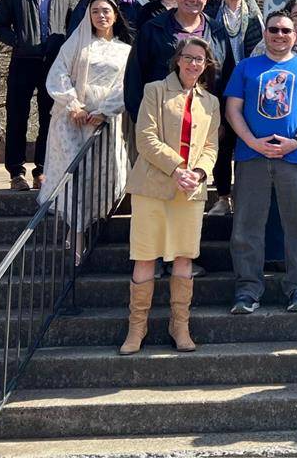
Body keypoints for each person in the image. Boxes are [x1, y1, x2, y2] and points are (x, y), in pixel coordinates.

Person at [225, 11, 297, 314]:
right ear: (265, 33)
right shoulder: (246, 67)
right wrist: (251, 141)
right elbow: (233, 109)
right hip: (251, 157)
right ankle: (247, 290)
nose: (280, 35)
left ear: (294, 35)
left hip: (294, 157)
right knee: (247, 226)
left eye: (286, 30)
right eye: (273, 29)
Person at [119, 37, 220, 355]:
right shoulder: (154, 91)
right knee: (146, 257)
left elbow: (210, 146)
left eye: (200, 60)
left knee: (183, 258)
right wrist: (177, 168)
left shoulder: (210, 102)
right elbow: (145, 138)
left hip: (191, 190)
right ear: (177, 60)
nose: (193, 64)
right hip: (153, 187)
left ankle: (180, 325)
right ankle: (136, 328)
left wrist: (200, 173)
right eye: (188, 58)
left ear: (206, 65)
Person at [39, 0, 133, 256]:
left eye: (106, 11)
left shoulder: (124, 50)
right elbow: (58, 73)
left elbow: (126, 85)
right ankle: (76, 231)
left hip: (103, 121)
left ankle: (89, 224)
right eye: (95, 11)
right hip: (72, 120)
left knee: (97, 174)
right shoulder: (76, 44)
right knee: (74, 175)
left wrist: (104, 111)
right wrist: (74, 105)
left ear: (115, 15)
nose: (101, 16)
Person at [0, 0, 74, 191]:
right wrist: (18, 41)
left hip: (53, 64)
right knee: (17, 117)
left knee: (49, 118)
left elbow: (73, 28)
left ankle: (42, 170)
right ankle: (16, 173)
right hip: (22, 62)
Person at [124, 0, 225, 120]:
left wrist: (221, 123)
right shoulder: (153, 29)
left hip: (205, 118)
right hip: (161, 116)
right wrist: (141, 118)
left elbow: (225, 76)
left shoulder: (218, 32)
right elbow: (134, 76)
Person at [208, 0, 264, 217]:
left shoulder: (254, 19)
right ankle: (222, 197)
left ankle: (244, 196)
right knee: (222, 143)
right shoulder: (211, 15)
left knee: (245, 142)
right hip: (220, 86)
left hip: (247, 89)